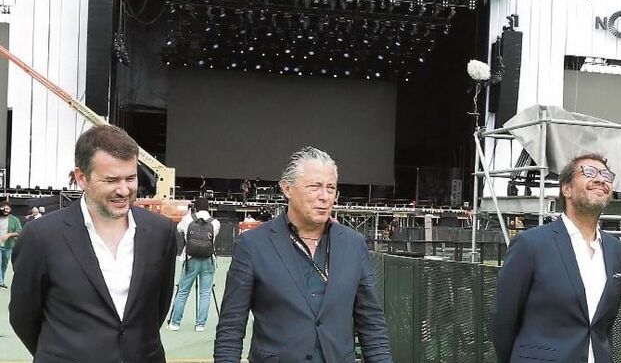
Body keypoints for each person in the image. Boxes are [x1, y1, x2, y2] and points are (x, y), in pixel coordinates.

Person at [9, 124, 178, 363]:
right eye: (111, 180)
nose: (124, 190)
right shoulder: (41, 236)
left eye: (130, 178)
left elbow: (158, 308)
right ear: (81, 178)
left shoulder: (161, 232)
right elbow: (23, 317)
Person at [215, 146, 392, 363]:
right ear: (287, 188)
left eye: (331, 188)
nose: (324, 197)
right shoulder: (253, 245)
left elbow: (372, 325)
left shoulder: (354, 245)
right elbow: (230, 329)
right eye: (314, 187)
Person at [492, 154, 621, 363]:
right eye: (589, 172)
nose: (601, 179)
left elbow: (604, 324)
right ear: (567, 189)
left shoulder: (616, 251)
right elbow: (504, 319)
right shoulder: (530, 244)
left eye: (606, 175)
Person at [168, 196, 220, 331]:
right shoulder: (215, 222)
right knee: (205, 293)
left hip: (190, 259)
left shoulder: (188, 219)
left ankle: (175, 323)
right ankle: (200, 325)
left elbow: (179, 229)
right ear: (208, 208)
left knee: (183, 292)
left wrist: (189, 214)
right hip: (208, 260)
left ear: (195, 207)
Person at [0, 199, 23, 288]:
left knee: (4, 264)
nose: (5, 210)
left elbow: (19, 232)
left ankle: (1, 280)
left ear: (10, 209)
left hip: (8, 246)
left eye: (7, 209)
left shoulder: (15, 220)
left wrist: (9, 235)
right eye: (3, 208)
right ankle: (0, 282)